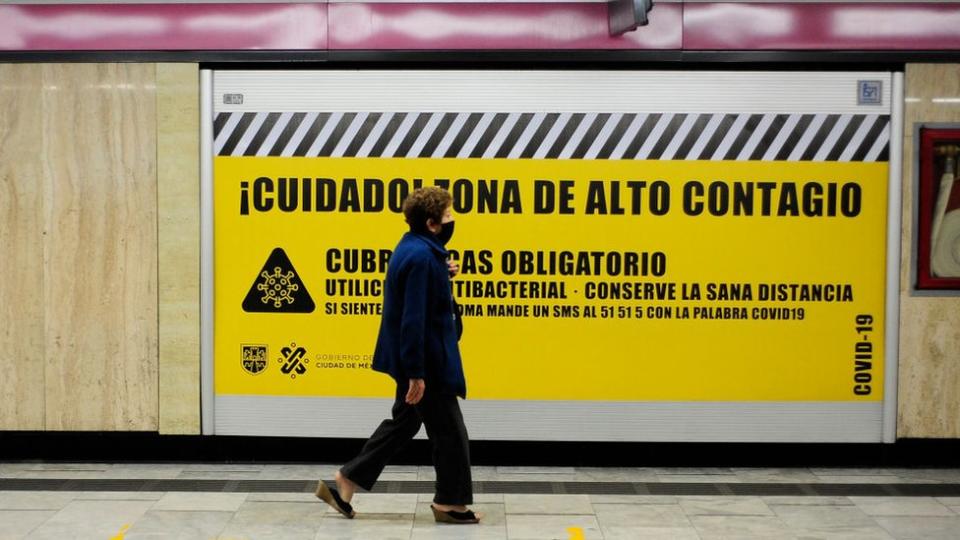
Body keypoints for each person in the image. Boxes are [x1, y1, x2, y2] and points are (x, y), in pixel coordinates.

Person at [316, 186, 479, 524]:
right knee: (451, 433)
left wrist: (443, 276)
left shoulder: (417, 248)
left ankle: (347, 479)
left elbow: (417, 299)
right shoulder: (422, 258)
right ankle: (450, 503)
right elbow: (412, 319)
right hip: (424, 362)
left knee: (404, 423)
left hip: (415, 357)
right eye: (448, 216)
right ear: (432, 223)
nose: (453, 221)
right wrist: (416, 373)